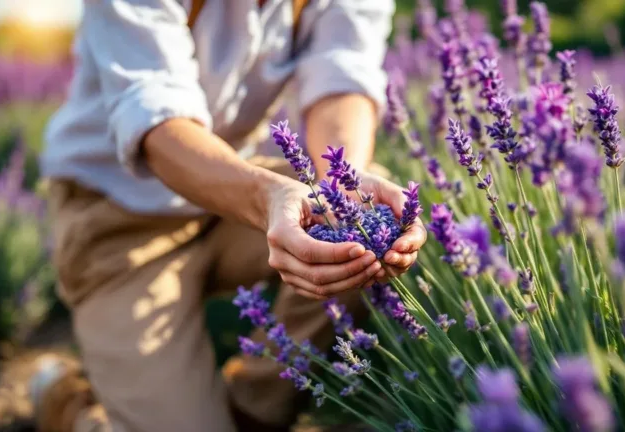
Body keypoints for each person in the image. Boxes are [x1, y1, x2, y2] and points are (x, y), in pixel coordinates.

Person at [30, 0, 427, 431]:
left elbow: (341, 75)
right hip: (117, 223)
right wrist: (267, 196)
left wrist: (346, 191)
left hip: (224, 200)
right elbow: (156, 119)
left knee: (368, 231)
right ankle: (67, 404)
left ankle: (248, 408)